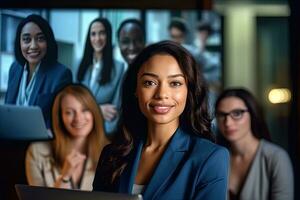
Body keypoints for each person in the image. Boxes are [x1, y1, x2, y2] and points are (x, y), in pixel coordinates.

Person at [93, 41, 229, 199]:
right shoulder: (111, 155)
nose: (162, 94)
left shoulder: (210, 158)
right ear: (135, 89)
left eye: (175, 83)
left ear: (189, 91)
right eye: (150, 83)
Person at [26, 84, 110, 190]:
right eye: (69, 112)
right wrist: (64, 177)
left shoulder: (113, 154)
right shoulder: (37, 152)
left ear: (94, 112)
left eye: (84, 110)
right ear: (60, 117)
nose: (78, 118)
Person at [215, 88, 294, 200]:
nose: (228, 122)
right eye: (222, 115)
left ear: (252, 114)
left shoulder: (276, 157)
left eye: (237, 113)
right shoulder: (218, 158)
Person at [5, 14, 72, 127]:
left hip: (40, 141)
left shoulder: (61, 74)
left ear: (48, 41)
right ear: (19, 43)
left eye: (40, 38)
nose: (33, 46)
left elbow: (61, 121)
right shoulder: (15, 68)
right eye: (26, 39)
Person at [77, 18, 125, 135]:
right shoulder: (80, 64)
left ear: (108, 36)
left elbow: (114, 113)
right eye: (93, 34)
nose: (97, 38)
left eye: (102, 33)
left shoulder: (119, 68)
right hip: (77, 131)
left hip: (101, 135)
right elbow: (74, 105)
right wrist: (98, 110)